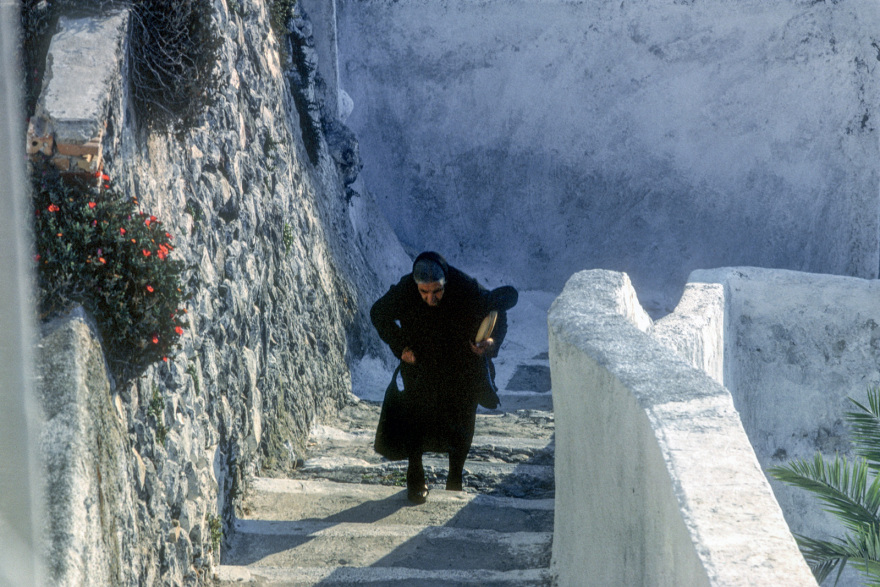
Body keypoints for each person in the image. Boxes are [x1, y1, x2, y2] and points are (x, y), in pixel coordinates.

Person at [370, 251, 516, 504]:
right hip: (421, 364)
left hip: (460, 366)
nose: (431, 298)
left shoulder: (465, 287)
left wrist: (490, 342)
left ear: (445, 282)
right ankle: (415, 477)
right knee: (416, 419)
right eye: (424, 292)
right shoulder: (405, 289)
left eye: (437, 291)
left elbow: (498, 309)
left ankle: (455, 478)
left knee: (462, 422)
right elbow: (378, 313)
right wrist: (401, 347)